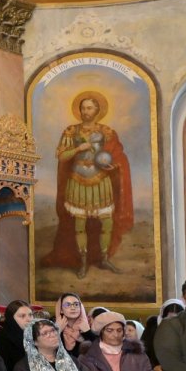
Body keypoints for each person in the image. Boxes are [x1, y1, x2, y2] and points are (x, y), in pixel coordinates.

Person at [42, 94, 134, 277]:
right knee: (79, 225)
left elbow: (117, 156)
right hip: (77, 181)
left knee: (107, 223)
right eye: (83, 108)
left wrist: (113, 165)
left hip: (101, 181)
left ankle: (105, 258)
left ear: (97, 110)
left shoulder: (107, 132)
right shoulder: (70, 131)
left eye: (89, 108)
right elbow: (61, 157)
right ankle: (83, 262)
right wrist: (77, 149)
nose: (86, 112)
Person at [0, 300, 33, 371]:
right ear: (11, 319)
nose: (28, 319)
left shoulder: (35, 336)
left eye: (30, 315)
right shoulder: (1, 341)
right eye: (22, 316)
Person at [55, 292, 94, 358]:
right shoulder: (52, 327)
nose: (73, 308)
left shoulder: (91, 325)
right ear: (61, 310)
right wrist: (57, 330)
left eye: (76, 304)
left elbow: (101, 351)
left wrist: (88, 332)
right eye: (67, 305)